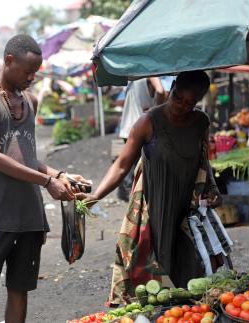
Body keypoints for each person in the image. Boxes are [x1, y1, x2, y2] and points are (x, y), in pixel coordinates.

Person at [0, 34, 89, 323]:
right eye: (28, 71)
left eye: (36, 72)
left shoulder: (30, 101)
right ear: (9, 61)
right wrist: (47, 182)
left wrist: (60, 175)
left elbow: (26, 156)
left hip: (29, 217)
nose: (33, 78)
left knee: (19, 291)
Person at [79, 71, 222, 288]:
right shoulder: (148, 122)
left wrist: (212, 186)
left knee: (190, 266)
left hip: (187, 208)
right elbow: (120, 166)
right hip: (156, 208)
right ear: (172, 87)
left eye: (190, 103)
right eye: (178, 97)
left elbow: (204, 160)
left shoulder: (200, 122)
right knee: (155, 266)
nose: (182, 106)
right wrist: (96, 196)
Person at [117, 78, 165, 201]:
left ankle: (135, 199)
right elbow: (160, 91)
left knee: (133, 166)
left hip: (129, 128)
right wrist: (157, 113)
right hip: (140, 127)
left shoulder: (135, 75)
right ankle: (139, 200)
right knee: (142, 168)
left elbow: (159, 91)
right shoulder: (149, 73)